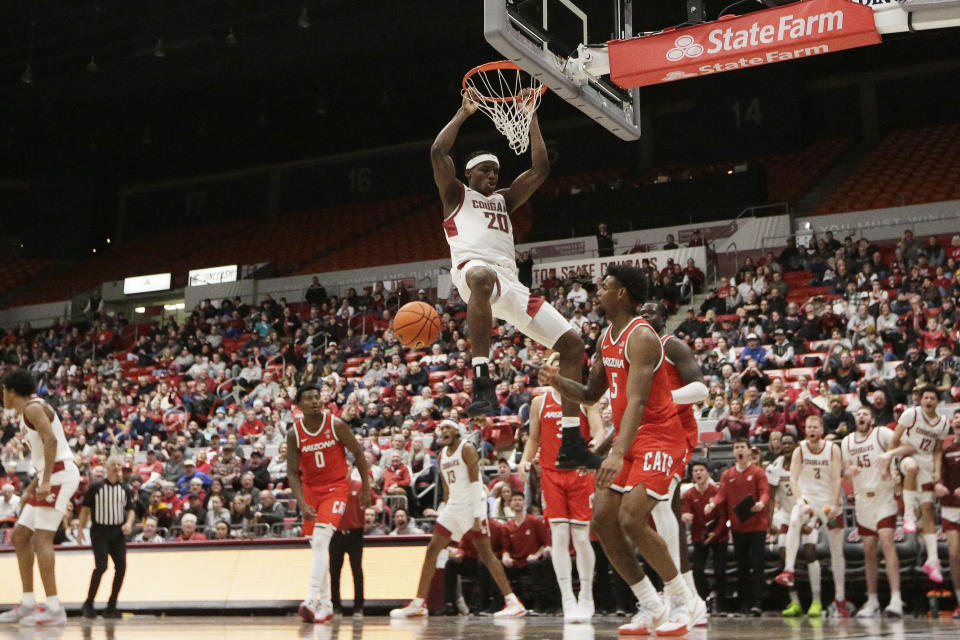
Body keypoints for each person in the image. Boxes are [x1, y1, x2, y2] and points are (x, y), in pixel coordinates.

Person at [432, 89, 597, 469]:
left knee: (572, 345)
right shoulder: (455, 194)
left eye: (496, 172)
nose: (492, 176)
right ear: (469, 173)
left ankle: (571, 439)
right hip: (473, 272)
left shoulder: (504, 200)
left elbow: (540, 170)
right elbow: (438, 154)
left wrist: (532, 115)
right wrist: (462, 114)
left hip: (512, 286)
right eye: (485, 171)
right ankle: (482, 378)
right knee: (481, 276)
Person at [540, 265, 704, 635]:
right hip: (631, 439)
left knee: (632, 517)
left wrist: (614, 452)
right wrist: (558, 381)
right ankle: (650, 602)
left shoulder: (642, 336)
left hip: (660, 436)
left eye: (604, 287)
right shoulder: (606, 339)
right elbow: (590, 395)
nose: (597, 293)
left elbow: (638, 401)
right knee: (601, 520)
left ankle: (685, 600)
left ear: (623, 294)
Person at [390, 419, 526, 618]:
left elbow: (475, 483)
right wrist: (443, 511)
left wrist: (479, 515)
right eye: (441, 428)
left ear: (456, 431)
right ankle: (419, 603)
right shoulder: (442, 454)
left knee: (486, 555)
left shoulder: (467, 447)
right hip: (454, 507)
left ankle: (513, 602)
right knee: (432, 549)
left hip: (471, 507)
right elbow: (446, 489)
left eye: (448, 428)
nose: (444, 431)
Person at [639, 301, 709, 621]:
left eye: (651, 312)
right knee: (662, 512)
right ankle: (688, 595)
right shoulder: (639, 353)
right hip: (651, 436)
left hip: (678, 433)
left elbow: (700, 389)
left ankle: (677, 594)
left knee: (661, 505)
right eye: (641, 312)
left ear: (664, 319)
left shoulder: (672, 345)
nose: (644, 316)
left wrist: (665, 400)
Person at [0, 369, 81, 627]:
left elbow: (51, 442)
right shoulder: (29, 411)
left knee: (41, 538)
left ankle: (55, 608)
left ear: (11, 391)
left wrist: (45, 481)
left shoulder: (33, 408)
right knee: (20, 536)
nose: (2, 395)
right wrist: (32, 486)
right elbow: (42, 453)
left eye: (3, 390)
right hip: (49, 475)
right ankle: (26, 602)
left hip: (59, 475)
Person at [519, 378, 603, 621]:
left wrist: (596, 444)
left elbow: (598, 429)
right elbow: (534, 438)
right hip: (551, 472)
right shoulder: (539, 402)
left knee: (580, 536)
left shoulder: (586, 398)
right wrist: (525, 460)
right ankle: (567, 597)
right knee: (559, 536)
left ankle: (586, 594)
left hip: (579, 471)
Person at [288, 386, 371, 624]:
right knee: (317, 547)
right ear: (299, 405)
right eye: (309, 399)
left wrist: (365, 488)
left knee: (323, 540)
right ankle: (326, 605)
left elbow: (358, 452)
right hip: (311, 491)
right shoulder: (295, 433)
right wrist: (301, 502)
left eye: (317, 397)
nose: (315, 401)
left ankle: (311, 598)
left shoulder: (336, 424)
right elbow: (292, 473)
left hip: (336, 487)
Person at [774, 415, 849, 617]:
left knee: (836, 550)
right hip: (808, 500)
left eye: (815, 427)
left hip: (828, 504)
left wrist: (834, 504)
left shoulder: (833, 449)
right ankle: (789, 570)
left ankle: (840, 598)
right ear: (805, 430)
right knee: (795, 517)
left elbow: (836, 478)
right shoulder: (800, 450)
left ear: (822, 429)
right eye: (808, 427)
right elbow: (793, 479)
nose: (812, 430)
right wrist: (800, 501)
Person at [881, 385, 950, 582]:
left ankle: (933, 559)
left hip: (927, 462)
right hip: (908, 457)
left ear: (937, 401)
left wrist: (937, 470)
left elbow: (937, 450)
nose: (928, 401)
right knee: (911, 468)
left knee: (928, 510)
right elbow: (894, 439)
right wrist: (891, 465)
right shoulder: (911, 414)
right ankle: (908, 514)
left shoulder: (943, 423)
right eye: (925, 397)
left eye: (932, 398)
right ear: (921, 400)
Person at [840, 407, 902, 617]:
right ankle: (872, 600)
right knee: (868, 551)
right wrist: (848, 472)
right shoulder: (847, 441)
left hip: (883, 496)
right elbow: (846, 474)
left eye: (865, 414)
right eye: (858, 414)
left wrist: (894, 466)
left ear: (872, 419)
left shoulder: (881, 433)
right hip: (862, 499)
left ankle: (896, 598)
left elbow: (903, 445)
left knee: (887, 543)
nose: (861, 416)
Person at [705, 437, 769, 616]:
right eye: (737, 447)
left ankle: (757, 603)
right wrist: (712, 504)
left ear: (749, 451)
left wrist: (760, 504)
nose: (740, 450)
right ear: (733, 452)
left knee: (757, 565)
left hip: (757, 527)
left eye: (742, 447)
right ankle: (744, 603)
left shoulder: (758, 472)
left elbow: (765, 493)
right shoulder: (728, 474)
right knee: (741, 566)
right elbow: (721, 495)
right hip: (738, 527)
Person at [765, 433, 820, 617]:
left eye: (790, 443)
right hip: (787, 516)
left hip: (807, 513)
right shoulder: (774, 468)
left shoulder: (807, 464)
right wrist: (769, 521)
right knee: (783, 556)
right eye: (784, 444)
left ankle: (816, 601)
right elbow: (771, 498)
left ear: (796, 446)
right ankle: (794, 601)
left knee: (810, 551)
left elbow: (815, 491)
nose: (787, 446)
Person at [77, 455, 136, 619]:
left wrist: (129, 523)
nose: (117, 467)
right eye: (114, 465)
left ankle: (111, 606)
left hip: (117, 533)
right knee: (101, 567)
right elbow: (85, 509)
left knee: (122, 568)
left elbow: (131, 509)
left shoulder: (125, 488)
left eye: (119, 465)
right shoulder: (96, 487)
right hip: (99, 532)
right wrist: (80, 530)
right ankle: (88, 603)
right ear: (107, 468)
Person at [681, 461, 728, 612]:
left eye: (701, 470)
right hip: (699, 536)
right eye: (695, 471)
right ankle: (703, 599)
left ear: (708, 473)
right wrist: (685, 515)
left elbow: (723, 516)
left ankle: (721, 603)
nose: (698, 473)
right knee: (698, 569)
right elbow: (685, 511)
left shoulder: (716, 491)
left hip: (719, 535)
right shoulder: (688, 494)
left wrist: (715, 533)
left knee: (720, 570)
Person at [330, 457, 366, 619]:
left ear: (352, 469)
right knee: (334, 572)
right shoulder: (332, 488)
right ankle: (336, 606)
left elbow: (375, 499)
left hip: (355, 534)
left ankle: (358, 607)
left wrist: (376, 506)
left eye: (347, 467)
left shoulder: (359, 486)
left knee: (356, 571)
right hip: (336, 534)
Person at [940, 411, 960, 618]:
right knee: (954, 555)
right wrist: (939, 486)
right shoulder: (946, 449)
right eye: (956, 418)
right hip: (950, 508)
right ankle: (959, 600)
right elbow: (940, 477)